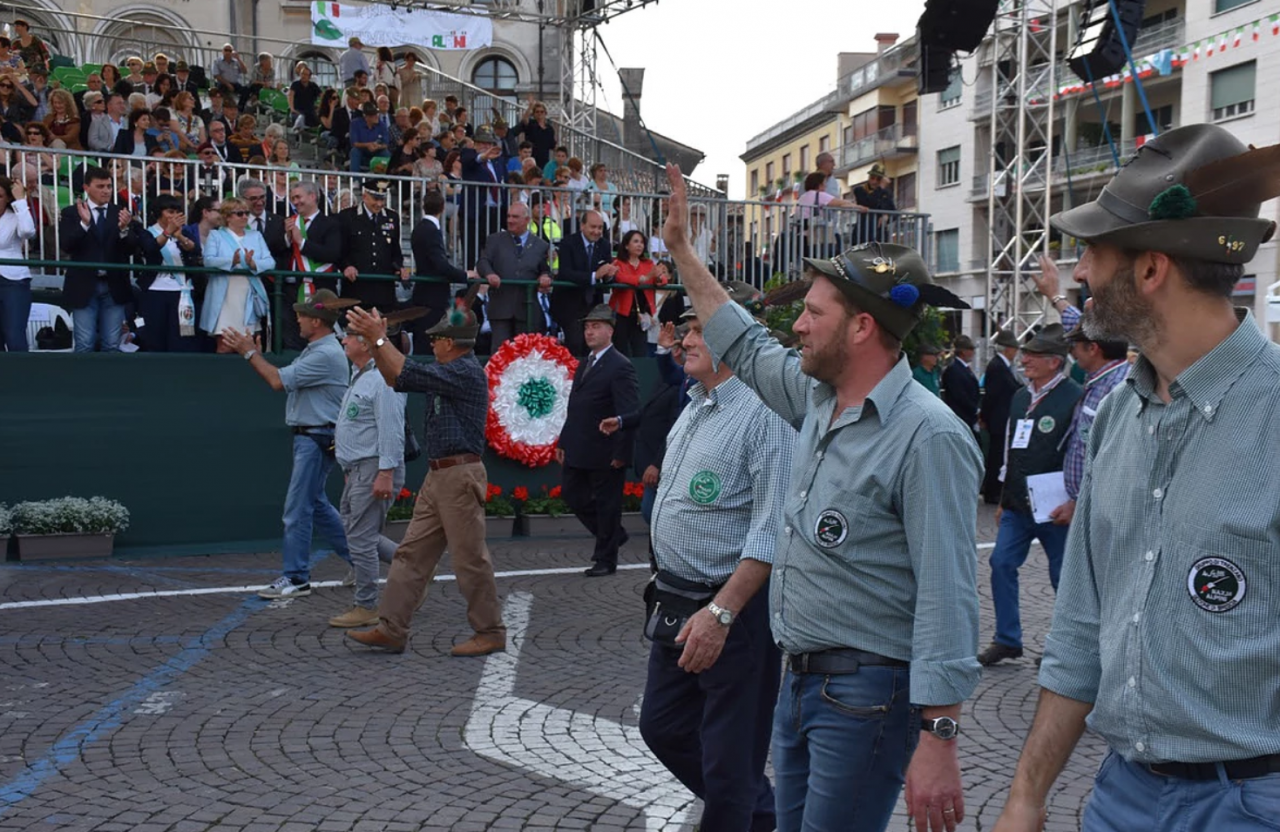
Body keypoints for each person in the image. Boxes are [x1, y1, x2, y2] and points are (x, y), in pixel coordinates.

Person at [663, 161, 983, 832]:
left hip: (867, 695)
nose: (798, 327)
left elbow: (948, 593)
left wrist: (939, 735)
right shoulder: (817, 400)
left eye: (813, 313)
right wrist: (684, 255)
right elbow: (743, 341)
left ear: (862, 327)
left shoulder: (929, 437)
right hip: (802, 681)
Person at [991, 124, 1280, 832]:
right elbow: (1082, 627)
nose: (1079, 273)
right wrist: (1027, 797)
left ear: (1151, 270)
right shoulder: (1115, 414)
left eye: (1093, 251)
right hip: (1123, 794)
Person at [638, 297, 795, 832]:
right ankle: (762, 812)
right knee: (660, 727)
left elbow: (772, 531)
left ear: (733, 337)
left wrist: (723, 614)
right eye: (683, 331)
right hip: (677, 602)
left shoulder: (766, 413)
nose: (683, 340)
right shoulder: (695, 403)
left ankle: (747, 809)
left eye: (696, 330)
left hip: (732, 613)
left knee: (730, 766)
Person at [344, 303, 507, 658]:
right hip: (442, 475)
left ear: (451, 342)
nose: (431, 343)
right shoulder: (449, 369)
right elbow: (395, 376)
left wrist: (378, 338)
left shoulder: (464, 372)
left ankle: (490, 630)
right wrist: (375, 343)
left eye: (437, 338)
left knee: (469, 560)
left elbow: (401, 371)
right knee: (409, 555)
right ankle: (392, 628)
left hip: (458, 476)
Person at [220, 290, 353, 599]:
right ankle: (363, 560)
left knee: (297, 510)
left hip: (317, 437)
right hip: (315, 435)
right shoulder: (319, 348)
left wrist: (249, 353)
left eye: (303, 315)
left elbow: (277, 381)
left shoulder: (325, 353)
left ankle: (296, 578)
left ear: (317, 321)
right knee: (317, 506)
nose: (298, 319)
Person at [977, 324, 1081, 667]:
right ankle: (1008, 639)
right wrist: (1005, 496)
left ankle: (1066, 645)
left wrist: (1075, 500)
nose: (1025, 361)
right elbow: (1010, 447)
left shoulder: (1075, 396)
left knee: (1061, 577)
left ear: (1055, 362)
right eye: (1025, 355)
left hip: (1056, 506)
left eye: (1033, 356)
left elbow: (1082, 452)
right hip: (1019, 503)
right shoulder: (1021, 397)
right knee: (1000, 562)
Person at [329, 327, 406, 628]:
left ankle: (366, 605)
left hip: (373, 467)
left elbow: (390, 430)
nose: (343, 340)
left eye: (348, 336)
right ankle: (414, 568)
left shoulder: (383, 379)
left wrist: (384, 472)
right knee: (358, 532)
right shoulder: (362, 374)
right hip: (360, 468)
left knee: (360, 537)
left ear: (365, 344)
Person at [556, 304, 640, 577]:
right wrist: (564, 442)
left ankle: (606, 558)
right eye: (587, 327)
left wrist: (621, 453)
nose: (589, 332)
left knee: (607, 505)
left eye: (596, 327)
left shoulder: (620, 366)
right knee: (572, 494)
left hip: (606, 449)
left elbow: (629, 412)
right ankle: (614, 534)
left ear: (610, 331)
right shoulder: (586, 361)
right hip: (579, 446)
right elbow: (576, 406)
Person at [1054, 324, 1129, 526]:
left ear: (1093, 348)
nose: (1072, 352)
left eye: (1075, 346)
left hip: (1102, 508)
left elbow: (1115, 456)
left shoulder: (1119, 386)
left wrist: (1083, 503)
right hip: (1087, 504)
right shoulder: (1099, 380)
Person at [58, 166, 139, 352]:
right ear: (86, 188)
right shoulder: (72, 212)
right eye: (100, 186)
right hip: (83, 285)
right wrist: (84, 224)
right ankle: (81, 381)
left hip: (114, 286)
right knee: (84, 343)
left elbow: (132, 250)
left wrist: (124, 229)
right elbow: (67, 245)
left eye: (109, 186)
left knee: (112, 343)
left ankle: (111, 381)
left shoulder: (121, 212)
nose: (106, 190)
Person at [199, 197, 273, 352]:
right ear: (227, 216)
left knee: (249, 344)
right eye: (239, 213)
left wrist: (252, 264)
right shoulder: (216, 235)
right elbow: (208, 260)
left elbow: (270, 262)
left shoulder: (256, 236)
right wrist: (231, 261)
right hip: (224, 295)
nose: (245, 217)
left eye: (247, 213)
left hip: (249, 292)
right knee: (224, 344)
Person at [475, 201, 549, 347]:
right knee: (500, 356)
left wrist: (546, 276)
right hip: (500, 308)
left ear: (527, 220)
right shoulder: (494, 240)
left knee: (523, 358)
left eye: (515, 217)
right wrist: (489, 274)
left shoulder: (541, 245)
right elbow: (483, 261)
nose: (510, 220)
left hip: (526, 310)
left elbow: (545, 269)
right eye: (508, 216)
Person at [408, 189, 474, 352]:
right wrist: (465, 275)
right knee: (429, 344)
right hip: (432, 297)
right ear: (443, 207)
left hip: (425, 294)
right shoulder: (431, 231)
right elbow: (440, 265)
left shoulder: (420, 228)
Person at [134, 194, 200, 352]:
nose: (174, 216)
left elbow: (195, 249)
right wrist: (167, 233)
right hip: (156, 291)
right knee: (156, 336)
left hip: (183, 292)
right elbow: (150, 248)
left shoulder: (184, 232)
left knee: (182, 338)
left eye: (177, 212)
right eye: (170, 212)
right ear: (159, 212)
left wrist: (181, 238)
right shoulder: (148, 232)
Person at [283, 180, 342, 348]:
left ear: (312, 196)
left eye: (298, 197)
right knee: (293, 338)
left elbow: (332, 253)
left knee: (321, 335)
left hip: (321, 289)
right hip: (292, 290)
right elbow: (280, 252)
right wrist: (287, 238)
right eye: (292, 198)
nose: (295, 202)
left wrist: (301, 243)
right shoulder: (291, 222)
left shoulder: (330, 223)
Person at [338, 179, 407, 312]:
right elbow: (340, 250)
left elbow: (395, 251)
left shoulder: (392, 217)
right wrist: (346, 266)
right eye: (375, 199)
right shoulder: (347, 216)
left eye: (382, 199)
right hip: (356, 289)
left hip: (384, 292)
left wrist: (399, 267)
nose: (379, 204)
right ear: (364, 196)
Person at [554, 209, 615, 356]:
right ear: (582, 226)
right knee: (575, 344)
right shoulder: (568, 243)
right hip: (570, 305)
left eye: (600, 228)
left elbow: (606, 274)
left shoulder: (605, 245)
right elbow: (565, 273)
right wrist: (594, 276)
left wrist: (609, 275)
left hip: (594, 307)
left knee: (593, 347)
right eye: (593, 227)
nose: (597, 231)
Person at [609, 229, 666, 357]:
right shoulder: (618, 263)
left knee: (640, 351)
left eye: (641, 242)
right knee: (620, 350)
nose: (640, 245)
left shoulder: (648, 263)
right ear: (626, 245)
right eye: (635, 241)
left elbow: (662, 279)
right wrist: (644, 278)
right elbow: (621, 278)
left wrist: (656, 277)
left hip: (642, 315)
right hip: (621, 313)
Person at [981, 328, 1021, 504]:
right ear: (1008, 349)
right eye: (1014, 348)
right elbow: (992, 396)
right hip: (998, 419)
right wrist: (985, 417)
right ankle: (992, 491)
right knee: (996, 457)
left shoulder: (1002, 366)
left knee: (999, 455)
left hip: (1001, 418)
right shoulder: (997, 367)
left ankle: (995, 490)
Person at [0, 176, 35, 351]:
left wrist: (21, 201)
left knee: (14, 336)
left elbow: (28, 231)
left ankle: (21, 377)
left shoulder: (15, 216)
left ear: (7, 198)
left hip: (13, 281)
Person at [852, 162, 896, 243]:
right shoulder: (860, 190)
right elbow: (869, 202)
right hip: (863, 233)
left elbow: (894, 212)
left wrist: (887, 217)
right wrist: (880, 188)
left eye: (878, 179)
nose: (874, 181)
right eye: (872, 178)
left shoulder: (885, 193)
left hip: (879, 235)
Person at [516, 97, 555, 167]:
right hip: (531, 158)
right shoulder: (531, 124)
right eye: (537, 112)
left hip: (544, 159)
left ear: (545, 113)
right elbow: (524, 119)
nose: (539, 113)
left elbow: (552, 144)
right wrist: (530, 106)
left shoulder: (549, 128)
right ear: (533, 114)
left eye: (542, 111)